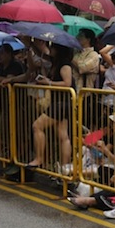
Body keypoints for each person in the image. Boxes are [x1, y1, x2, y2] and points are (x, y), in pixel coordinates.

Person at [27, 43, 74, 171]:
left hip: (62, 103)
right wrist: (30, 46)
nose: (50, 49)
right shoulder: (56, 63)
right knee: (62, 135)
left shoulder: (65, 65)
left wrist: (48, 82)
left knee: (37, 126)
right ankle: (65, 167)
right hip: (60, 102)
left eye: (52, 47)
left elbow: (67, 83)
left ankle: (39, 158)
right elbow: (40, 56)